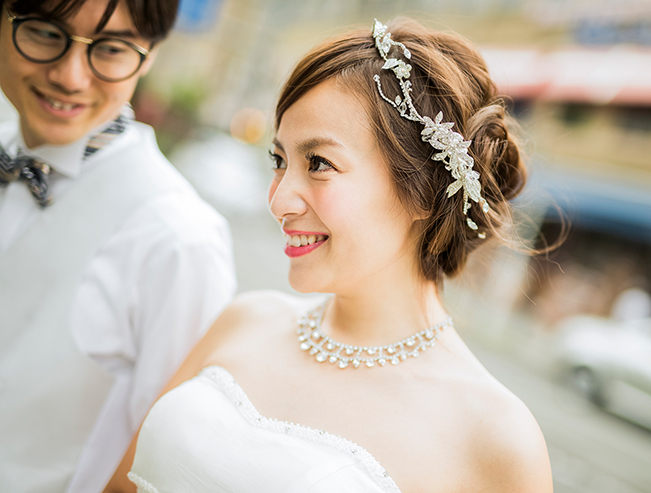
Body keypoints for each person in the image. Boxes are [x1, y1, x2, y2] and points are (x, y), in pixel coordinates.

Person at [107, 18, 553, 493]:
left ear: (424, 191)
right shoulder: (243, 320)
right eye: (279, 161)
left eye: (319, 164)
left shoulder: (497, 439)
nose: (279, 201)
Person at [0, 1, 237, 492]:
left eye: (110, 48)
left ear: (148, 56)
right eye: (45, 33)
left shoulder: (179, 239)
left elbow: (166, 467)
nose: (70, 76)